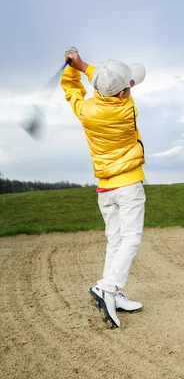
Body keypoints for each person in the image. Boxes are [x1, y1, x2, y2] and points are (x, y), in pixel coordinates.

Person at [61, 48, 147, 329]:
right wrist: (84, 66)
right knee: (130, 239)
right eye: (126, 87)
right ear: (123, 95)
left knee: (116, 239)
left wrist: (73, 67)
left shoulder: (86, 111)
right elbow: (98, 79)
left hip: (105, 189)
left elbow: (72, 89)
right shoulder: (128, 109)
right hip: (128, 184)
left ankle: (114, 291)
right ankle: (108, 288)